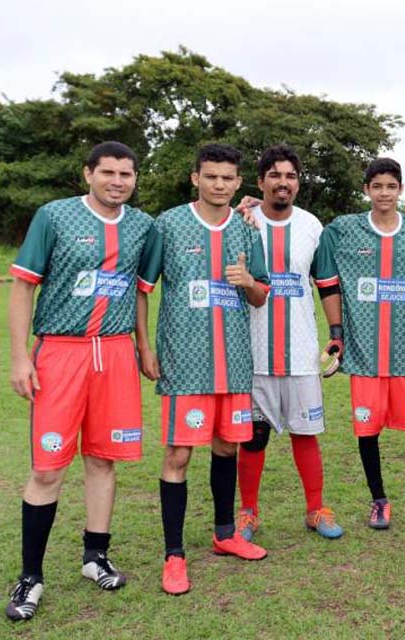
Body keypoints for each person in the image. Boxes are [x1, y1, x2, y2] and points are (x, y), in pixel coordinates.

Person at [5, 141, 156, 620]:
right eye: (108, 172)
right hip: (61, 353)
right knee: (48, 469)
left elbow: (138, 291)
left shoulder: (143, 226)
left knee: (103, 459)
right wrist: (18, 358)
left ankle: (96, 555)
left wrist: (143, 347)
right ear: (88, 174)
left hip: (113, 355)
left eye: (126, 174)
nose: (118, 181)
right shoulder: (54, 216)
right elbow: (24, 285)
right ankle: (31, 576)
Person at [136, 143, 271, 595]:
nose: (219, 184)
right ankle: (173, 555)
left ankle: (225, 533)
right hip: (183, 361)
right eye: (210, 176)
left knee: (227, 450)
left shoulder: (248, 231)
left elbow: (261, 295)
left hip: (232, 363)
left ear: (238, 183)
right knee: (177, 455)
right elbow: (142, 287)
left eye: (228, 178)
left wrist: (249, 282)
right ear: (195, 178)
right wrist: (144, 344)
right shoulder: (169, 224)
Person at [312, 157, 405, 529]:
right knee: (367, 428)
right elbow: (325, 277)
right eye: (377, 186)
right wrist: (337, 333)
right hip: (365, 353)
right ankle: (378, 500)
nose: (384, 193)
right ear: (366, 190)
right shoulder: (344, 230)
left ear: (401, 190)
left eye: (391, 186)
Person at [233, 144, 343, 541]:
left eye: (291, 176)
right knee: (254, 436)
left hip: (299, 352)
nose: (283, 183)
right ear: (260, 181)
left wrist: (336, 334)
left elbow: (327, 282)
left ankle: (316, 509)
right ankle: (248, 513)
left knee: (305, 432)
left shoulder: (313, 226)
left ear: (298, 183)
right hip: (252, 351)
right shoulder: (241, 221)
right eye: (275, 175)